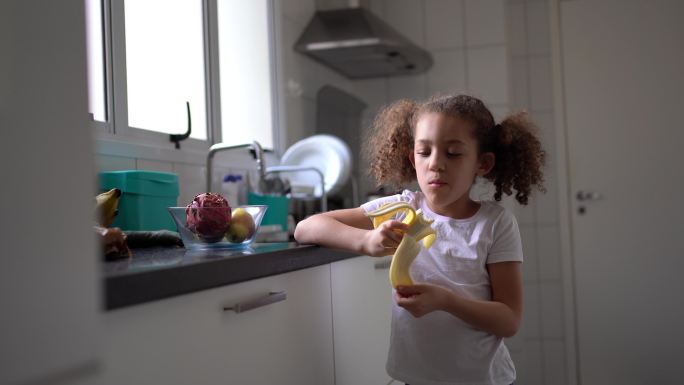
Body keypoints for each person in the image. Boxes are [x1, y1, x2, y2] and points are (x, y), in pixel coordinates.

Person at [294, 94, 545, 385]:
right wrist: (366, 240)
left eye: (453, 153)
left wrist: (447, 301)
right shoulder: (403, 209)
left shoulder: (495, 224)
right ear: (413, 159)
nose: (436, 164)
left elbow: (509, 320)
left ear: (483, 163)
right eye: (424, 152)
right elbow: (307, 227)